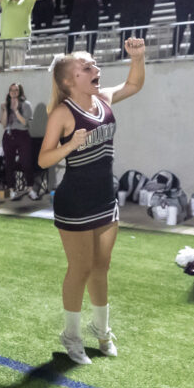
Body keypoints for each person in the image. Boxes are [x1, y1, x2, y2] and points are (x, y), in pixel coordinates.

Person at [37, 38, 146, 365]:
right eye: (87, 68)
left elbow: (134, 83)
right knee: (81, 268)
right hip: (75, 202)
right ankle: (71, 336)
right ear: (70, 81)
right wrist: (71, 145)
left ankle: (103, 332)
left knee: (101, 268)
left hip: (105, 198)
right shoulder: (61, 113)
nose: (96, 69)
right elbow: (43, 160)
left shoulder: (104, 97)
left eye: (94, 65)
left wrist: (137, 58)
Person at [0, 83, 39, 200]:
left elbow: (25, 123)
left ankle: (30, 188)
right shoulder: (5, 105)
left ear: (20, 91)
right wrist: (6, 110)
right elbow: (3, 124)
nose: (13, 92)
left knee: (26, 162)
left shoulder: (26, 104)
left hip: (22, 134)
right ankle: (11, 189)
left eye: (16, 90)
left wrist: (16, 111)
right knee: (9, 164)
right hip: (9, 134)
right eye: (11, 90)